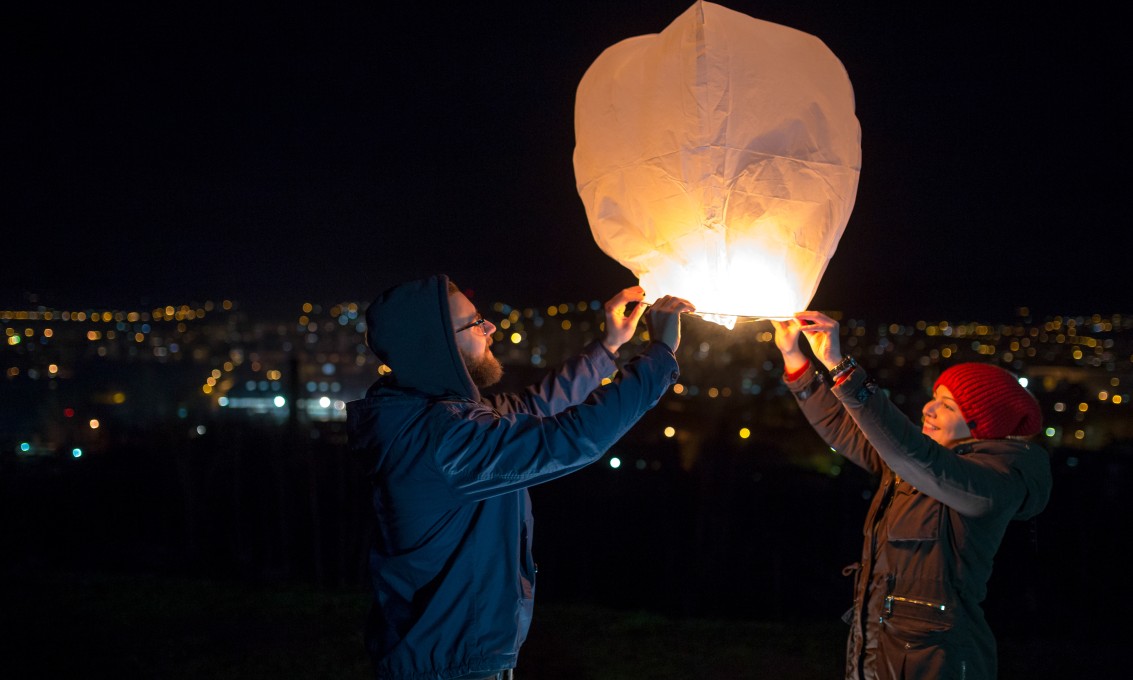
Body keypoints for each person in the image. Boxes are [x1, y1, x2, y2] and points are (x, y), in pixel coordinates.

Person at [346, 273, 694, 680]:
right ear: (438, 345)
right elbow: (571, 438)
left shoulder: (432, 415)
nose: (490, 328)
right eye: (475, 323)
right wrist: (660, 353)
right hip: (451, 667)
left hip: (447, 658)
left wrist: (608, 345)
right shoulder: (443, 441)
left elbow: (534, 407)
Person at [770, 310, 1052, 680]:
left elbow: (919, 457)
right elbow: (848, 429)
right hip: (878, 655)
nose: (928, 408)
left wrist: (840, 366)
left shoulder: (991, 483)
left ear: (980, 427)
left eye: (948, 406)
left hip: (939, 663)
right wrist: (795, 358)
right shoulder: (914, 463)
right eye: (935, 397)